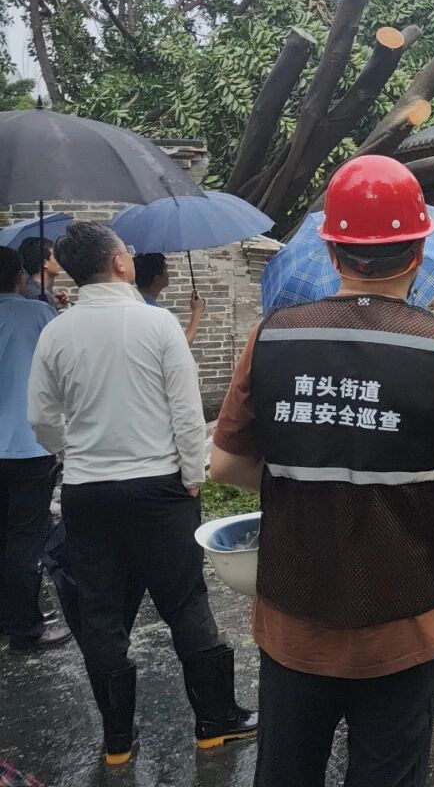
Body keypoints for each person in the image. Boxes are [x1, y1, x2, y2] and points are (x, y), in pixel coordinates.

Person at [210, 155, 434, 787]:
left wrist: (305, 485)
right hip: (405, 623)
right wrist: (414, 515)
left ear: (332, 250)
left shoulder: (271, 336)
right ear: (419, 251)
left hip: (294, 621)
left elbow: (226, 463)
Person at [27, 222, 256, 766]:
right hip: (160, 487)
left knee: (101, 612)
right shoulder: (158, 325)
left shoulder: (56, 332)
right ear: (120, 263)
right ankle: (214, 721)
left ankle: (117, 742)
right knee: (184, 600)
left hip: (87, 491)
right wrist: (191, 473)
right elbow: (186, 412)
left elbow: (40, 418)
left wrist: (73, 451)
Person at [0, 247, 70, 654]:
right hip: (28, 446)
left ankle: (7, 617)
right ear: (18, 276)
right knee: (25, 540)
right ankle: (25, 629)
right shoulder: (37, 314)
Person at [134, 253, 205, 347]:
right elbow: (183, 344)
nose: (168, 275)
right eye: (166, 270)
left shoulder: (132, 303)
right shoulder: (160, 315)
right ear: (157, 279)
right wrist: (197, 311)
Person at [18, 236, 67, 311]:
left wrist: (55, 306)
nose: (59, 260)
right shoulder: (39, 295)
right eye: (55, 256)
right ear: (44, 263)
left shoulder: (32, 290)